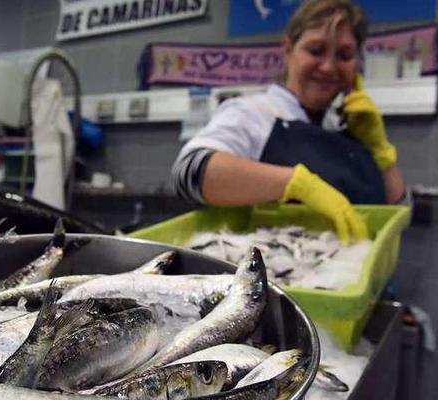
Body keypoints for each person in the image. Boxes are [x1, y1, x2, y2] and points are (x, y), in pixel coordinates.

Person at [171, 0, 407, 243]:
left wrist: (382, 152)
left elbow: (399, 213)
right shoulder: (254, 113)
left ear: (357, 63)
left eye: (345, 55)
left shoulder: (348, 128)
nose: (328, 66)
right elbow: (189, 173)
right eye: (315, 50)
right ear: (288, 50)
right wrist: (297, 185)